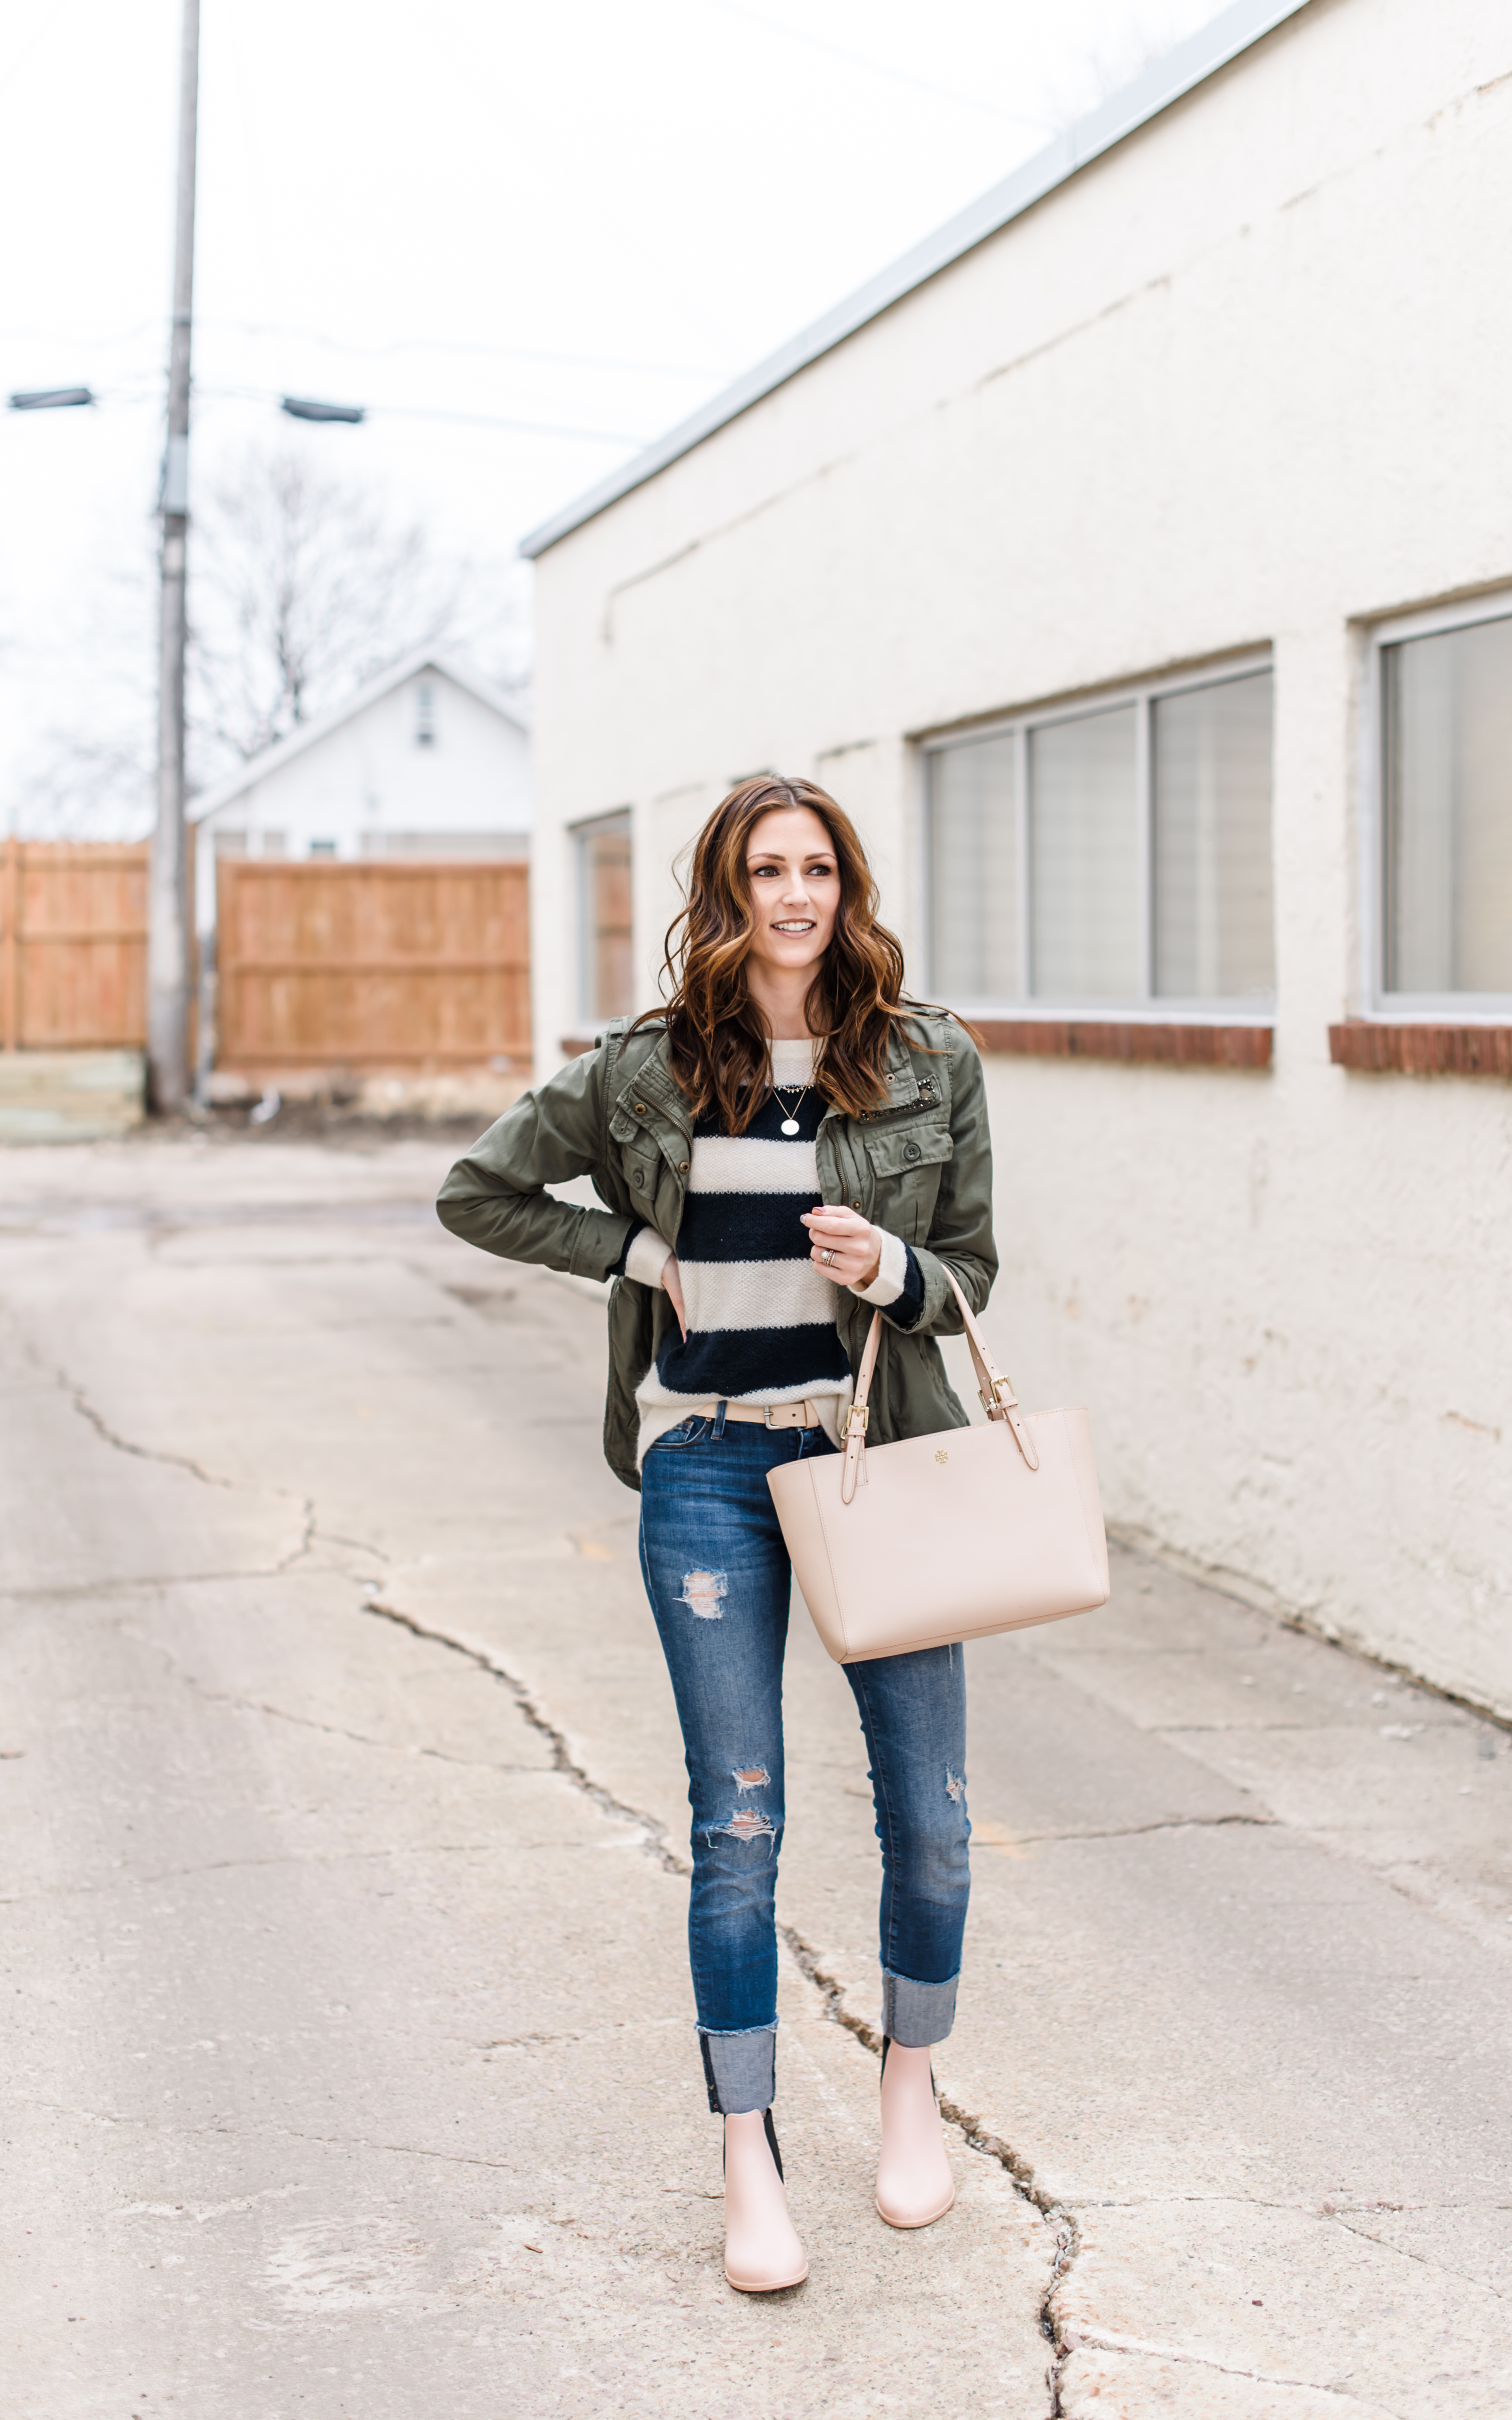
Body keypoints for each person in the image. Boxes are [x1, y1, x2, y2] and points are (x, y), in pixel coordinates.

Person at [436, 775, 997, 2293]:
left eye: (819, 869)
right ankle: (747, 2154)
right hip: (707, 1473)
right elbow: (474, 1191)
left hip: (874, 1462)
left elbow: (970, 1275)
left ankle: (907, 2092)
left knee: (932, 1823)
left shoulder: (928, 1058)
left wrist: (889, 1264)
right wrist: (629, 1247)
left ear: (849, 885)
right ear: (727, 889)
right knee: (738, 1827)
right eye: (768, 871)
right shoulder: (646, 1072)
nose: (796, 896)